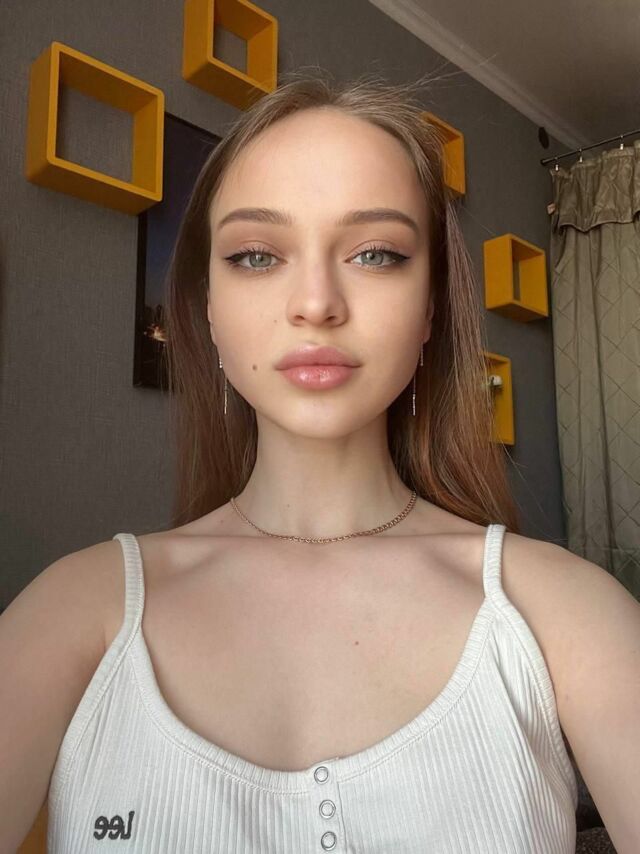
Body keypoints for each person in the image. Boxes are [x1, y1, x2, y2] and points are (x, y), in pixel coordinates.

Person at [4, 69, 639, 854]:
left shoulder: (566, 612)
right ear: (208, 306)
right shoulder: (75, 611)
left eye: (375, 253)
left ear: (431, 306)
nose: (315, 302)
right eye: (256, 255)